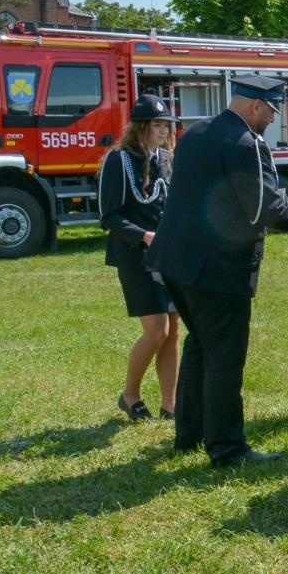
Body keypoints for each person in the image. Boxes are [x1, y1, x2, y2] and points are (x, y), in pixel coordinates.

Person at [147, 75, 288, 467]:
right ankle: (227, 448)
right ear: (255, 106)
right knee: (225, 355)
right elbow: (266, 208)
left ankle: (190, 433)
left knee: (201, 345)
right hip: (217, 266)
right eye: (271, 112)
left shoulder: (196, 133)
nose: (272, 120)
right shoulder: (245, 142)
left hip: (176, 259)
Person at [99, 94, 180, 421]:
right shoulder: (119, 160)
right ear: (141, 126)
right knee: (157, 330)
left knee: (173, 330)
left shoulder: (166, 158)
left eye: (166, 125)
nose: (163, 131)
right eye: (157, 125)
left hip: (167, 253)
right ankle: (129, 394)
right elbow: (109, 215)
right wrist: (143, 235)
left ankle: (170, 405)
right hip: (135, 254)